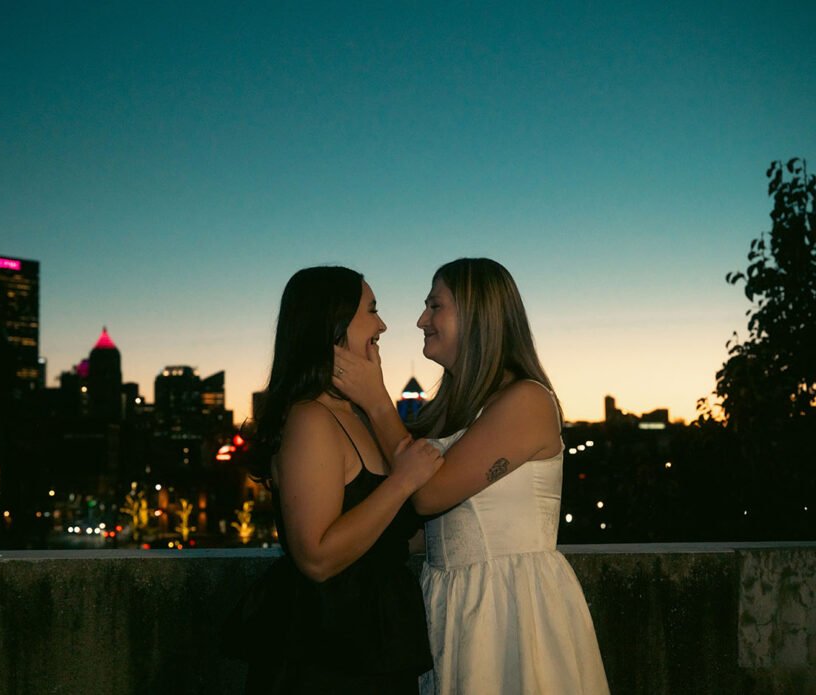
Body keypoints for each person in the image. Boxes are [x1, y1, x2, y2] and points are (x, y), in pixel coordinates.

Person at [333, 258, 610, 694]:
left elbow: (429, 495)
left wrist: (378, 402)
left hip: (510, 607)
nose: (421, 319)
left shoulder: (527, 400)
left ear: (477, 315)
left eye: (434, 306)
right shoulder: (451, 412)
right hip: (451, 602)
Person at [225, 266, 444, 694]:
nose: (382, 325)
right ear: (334, 324)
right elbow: (317, 557)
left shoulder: (356, 415)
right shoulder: (311, 419)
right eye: (372, 311)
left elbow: (386, 533)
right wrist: (401, 482)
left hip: (377, 644)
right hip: (327, 657)